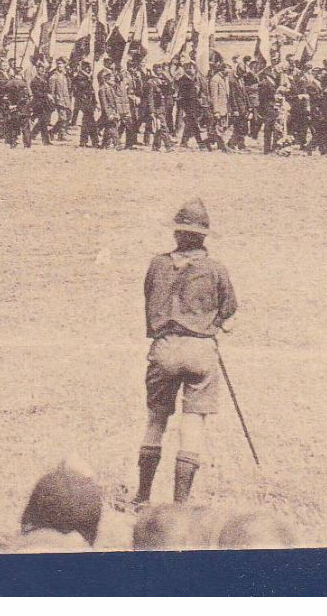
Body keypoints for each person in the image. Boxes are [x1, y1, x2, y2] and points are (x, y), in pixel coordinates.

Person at [133, 199, 238, 506]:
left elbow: (149, 296)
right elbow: (229, 309)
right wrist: (213, 324)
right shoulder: (216, 269)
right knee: (192, 423)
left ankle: (142, 496)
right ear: (204, 236)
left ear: (176, 234)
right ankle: (180, 505)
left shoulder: (157, 263)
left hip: (164, 347)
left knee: (155, 420)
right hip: (201, 349)